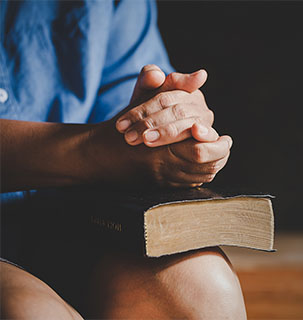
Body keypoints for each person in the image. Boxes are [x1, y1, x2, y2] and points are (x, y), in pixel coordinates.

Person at [0, 1, 246, 318]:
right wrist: (94, 152)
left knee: (203, 285)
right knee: (29, 312)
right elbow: (110, 147)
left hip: (74, 226)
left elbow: (130, 105)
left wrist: (171, 125)